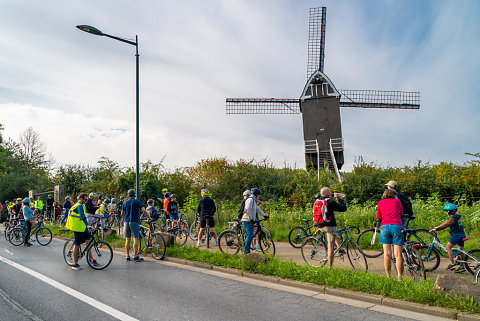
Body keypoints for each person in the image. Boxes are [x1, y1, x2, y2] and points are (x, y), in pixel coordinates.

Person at [429, 203, 467, 273]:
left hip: (456, 235)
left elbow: (446, 224)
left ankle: (452, 263)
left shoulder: (453, 219)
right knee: (461, 250)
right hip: (462, 235)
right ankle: (462, 265)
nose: (446, 212)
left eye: (447, 211)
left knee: (448, 247)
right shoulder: (457, 218)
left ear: (449, 212)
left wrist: (436, 228)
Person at [315, 187, 347, 267]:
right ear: (326, 193)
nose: (331, 193)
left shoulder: (318, 201)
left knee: (334, 233)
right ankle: (330, 268)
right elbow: (343, 208)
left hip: (320, 225)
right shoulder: (330, 201)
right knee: (330, 247)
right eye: (330, 192)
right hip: (329, 226)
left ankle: (339, 248)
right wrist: (340, 199)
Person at [377, 189, 404, 278]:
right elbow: (401, 213)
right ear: (394, 195)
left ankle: (388, 276)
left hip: (384, 227)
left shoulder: (380, 203)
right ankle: (400, 276)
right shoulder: (397, 201)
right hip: (396, 226)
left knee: (387, 254)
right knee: (398, 254)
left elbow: (378, 217)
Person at [66, 193, 96, 270]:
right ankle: (74, 264)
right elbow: (82, 216)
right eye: (85, 199)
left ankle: (91, 259)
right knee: (77, 245)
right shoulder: (78, 205)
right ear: (81, 199)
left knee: (88, 242)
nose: (87, 201)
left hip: (82, 227)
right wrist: (87, 225)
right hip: (77, 228)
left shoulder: (82, 204)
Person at [122, 189, 151, 262]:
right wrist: (149, 217)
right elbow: (144, 210)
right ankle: (135, 256)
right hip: (134, 221)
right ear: (134, 195)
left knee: (127, 239)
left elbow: (122, 213)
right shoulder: (137, 201)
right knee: (135, 238)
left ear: (128, 195)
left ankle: (127, 256)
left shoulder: (125, 203)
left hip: (126, 221)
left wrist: (124, 218)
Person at [241, 188, 269, 254]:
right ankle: (246, 252)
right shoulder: (250, 200)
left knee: (251, 234)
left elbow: (258, 209)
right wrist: (250, 218)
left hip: (250, 220)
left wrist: (264, 215)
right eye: (259, 196)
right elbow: (247, 209)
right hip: (247, 220)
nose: (259, 197)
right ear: (256, 194)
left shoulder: (253, 200)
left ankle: (248, 248)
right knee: (250, 235)